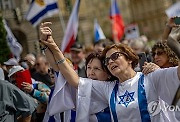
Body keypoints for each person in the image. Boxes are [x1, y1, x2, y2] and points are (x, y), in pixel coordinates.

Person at [40, 22, 180, 121]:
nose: (111, 61)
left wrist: (173, 41)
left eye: (115, 56)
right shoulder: (109, 89)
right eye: (107, 61)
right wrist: (52, 46)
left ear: (130, 59)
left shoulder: (151, 77)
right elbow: (75, 81)